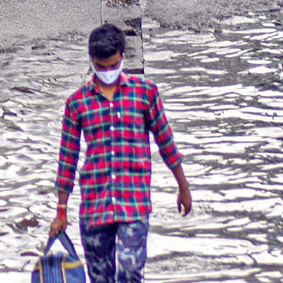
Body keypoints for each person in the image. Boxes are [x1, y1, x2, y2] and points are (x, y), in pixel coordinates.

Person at [50, 24, 192, 283]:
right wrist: (61, 210)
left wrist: (183, 186)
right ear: (92, 61)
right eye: (101, 67)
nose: (107, 72)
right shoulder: (77, 103)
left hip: (134, 203)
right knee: (100, 277)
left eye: (113, 66)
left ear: (123, 57)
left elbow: (166, 142)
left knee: (129, 271)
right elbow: (67, 159)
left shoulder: (145, 93)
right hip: (95, 205)